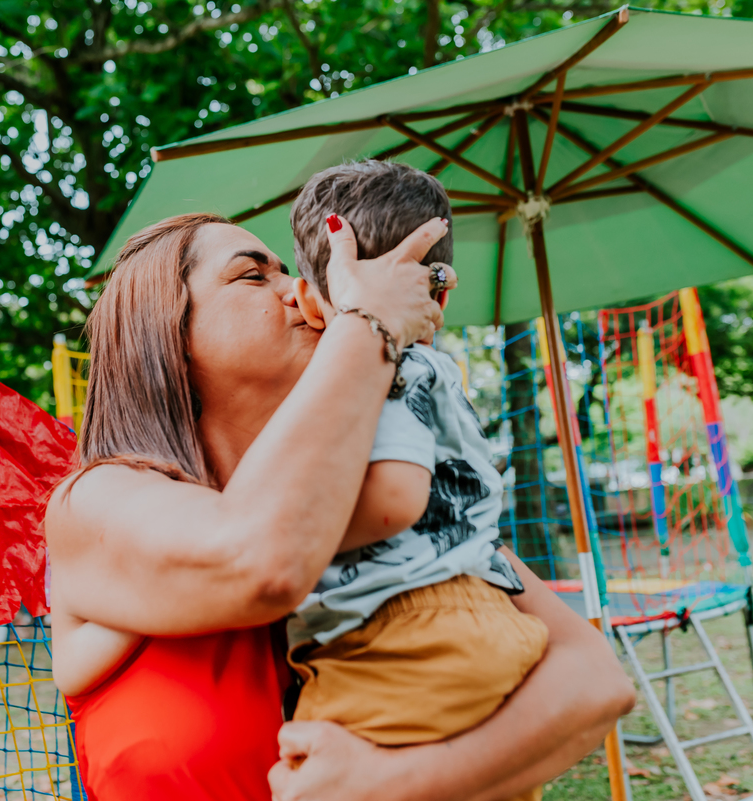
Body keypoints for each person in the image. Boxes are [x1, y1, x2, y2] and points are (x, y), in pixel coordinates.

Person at [46, 209, 635, 801]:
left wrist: (396, 783)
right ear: (165, 330)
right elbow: (260, 561)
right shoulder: (92, 503)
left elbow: (596, 682)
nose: (304, 291)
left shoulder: (382, 491)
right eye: (254, 276)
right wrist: (369, 320)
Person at [282, 161, 548, 773]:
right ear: (443, 295)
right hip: (477, 617)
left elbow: (393, 500)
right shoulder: (438, 370)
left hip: (406, 639)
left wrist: (279, 534)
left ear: (307, 302)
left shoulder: (382, 366)